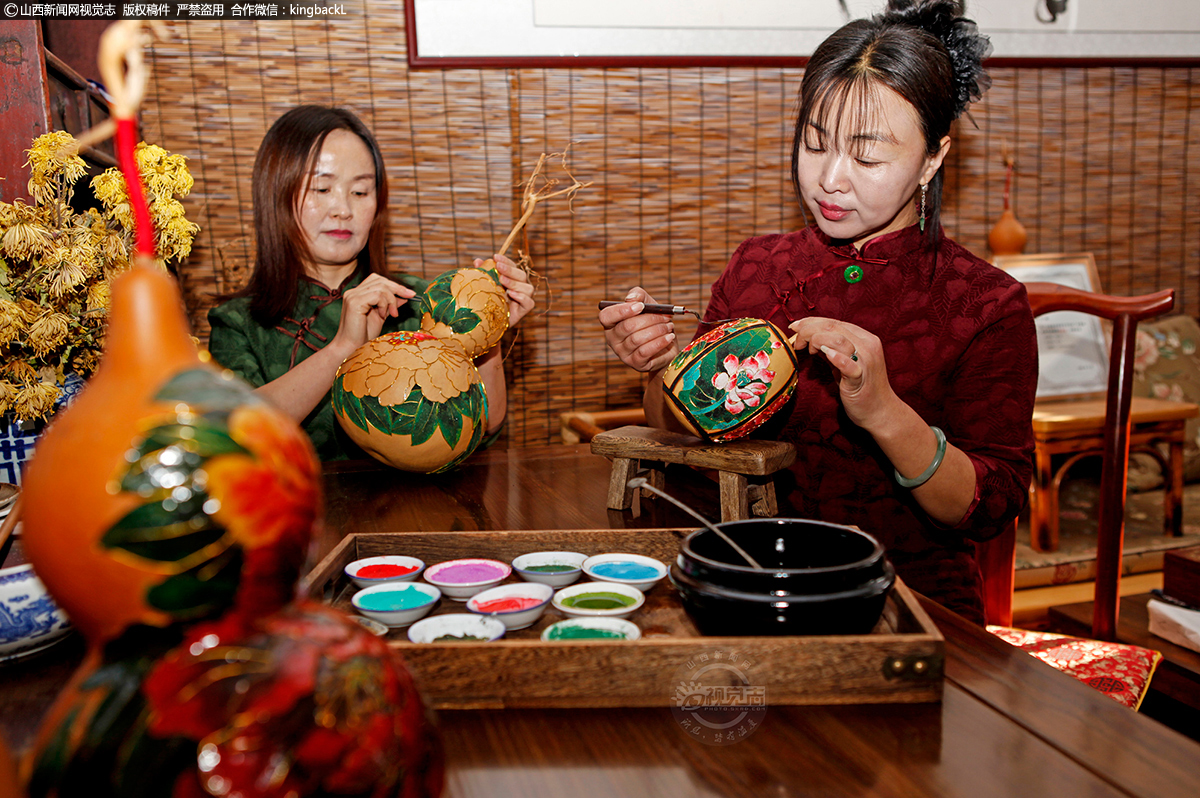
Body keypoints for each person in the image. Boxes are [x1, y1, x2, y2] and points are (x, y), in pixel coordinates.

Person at [599, 0, 1036, 623]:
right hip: (730, 575)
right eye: (813, 144)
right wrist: (659, 365)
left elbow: (990, 504)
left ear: (933, 159)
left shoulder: (983, 303)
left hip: (896, 597)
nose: (830, 179)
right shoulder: (758, 265)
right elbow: (681, 425)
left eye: (867, 156)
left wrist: (884, 412)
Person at [208, 105, 535, 460]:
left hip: (414, 511)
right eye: (321, 189)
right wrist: (342, 347)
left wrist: (486, 336)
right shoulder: (239, 322)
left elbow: (483, 430)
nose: (343, 209)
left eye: (360, 192)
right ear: (276, 196)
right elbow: (234, 437)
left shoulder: (417, 302)